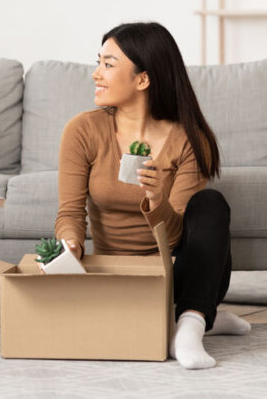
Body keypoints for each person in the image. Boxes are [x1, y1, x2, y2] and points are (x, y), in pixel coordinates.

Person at [55, 22, 250, 370]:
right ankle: (206, 317)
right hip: (120, 276)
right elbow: (69, 214)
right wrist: (69, 244)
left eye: (108, 64)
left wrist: (158, 201)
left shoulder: (189, 139)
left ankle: (189, 325)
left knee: (210, 204)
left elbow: (178, 237)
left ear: (142, 79)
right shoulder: (83, 130)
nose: (96, 74)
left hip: (180, 273)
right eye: (98, 62)